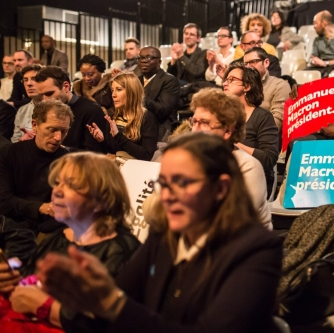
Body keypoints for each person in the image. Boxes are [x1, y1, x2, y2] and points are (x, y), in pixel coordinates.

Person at [36, 133, 282, 332]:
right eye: (163, 183)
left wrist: (109, 301)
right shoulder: (164, 237)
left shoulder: (257, 249)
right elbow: (114, 310)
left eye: (182, 182)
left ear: (220, 188)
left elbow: (120, 306)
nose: (166, 195)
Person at [2, 152, 140, 330]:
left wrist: (45, 307)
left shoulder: (123, 251)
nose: (57, 192)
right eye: (58, 183)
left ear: (101, 199)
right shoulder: (60, 235)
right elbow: (29, 278)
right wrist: (9, 278)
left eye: (72, 185)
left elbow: (108, 323)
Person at [187, 88, 272, 229]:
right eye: (194, 122)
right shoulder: (189, 160)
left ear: (227, 131)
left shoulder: (247, 166)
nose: (195, 130)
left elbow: (234, 220)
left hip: (242, 245)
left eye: (204, 123)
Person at [0, 100, 72, 263]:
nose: (58, 137)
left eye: (64, 131)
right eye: (52, 129)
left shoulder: (67, 160)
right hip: (10, 226)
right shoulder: (9, 154)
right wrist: (41, 207)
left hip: (47, 231)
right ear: (35, 125)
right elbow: (4, 200)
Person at [223, 63, 279, 192]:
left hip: (254, 178)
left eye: (232, 80)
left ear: (247, 86)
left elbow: (268, 159)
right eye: (225, 80)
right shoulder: (220, 114)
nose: (225, 83)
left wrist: (233, 144)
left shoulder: (263, 116)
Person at [87, 72, 159, 161]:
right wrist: (101, 140)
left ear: (131, 91)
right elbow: (110, 151)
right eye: (112, 90)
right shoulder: (113, 118)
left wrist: (118, 136)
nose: (113, 95)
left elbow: (146, 155)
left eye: (119, 89)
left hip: (135, 168)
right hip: (115, 166)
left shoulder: (147, 118)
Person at [35, 66, 108, 152]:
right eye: (41, 95)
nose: (44, 100)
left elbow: (95, 153)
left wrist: (59, 149)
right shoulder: (45, 110)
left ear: (66, 86)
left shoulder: (91, 111)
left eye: (49, 93)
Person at [136, 46, 180, 140]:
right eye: (141, 58)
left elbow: (162, 111)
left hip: (160, 130)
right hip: (137, 127)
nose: (144, 61)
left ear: (159, 62)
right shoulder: (137, 80)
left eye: (148, 58)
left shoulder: (169, 81)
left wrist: (137, 95)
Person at [243, 47, 291, 130]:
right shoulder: (241, 85)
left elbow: (276, 123)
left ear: (266, 62)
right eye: (245, 64)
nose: (248, 67)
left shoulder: (279, 85)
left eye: (252, 62)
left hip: (261, 137)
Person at [305, 10, 334, 78]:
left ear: (324, 23)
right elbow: (313, 56)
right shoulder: (317, 40)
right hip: (320, 68)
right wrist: (314, 61)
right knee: (302, 73)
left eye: (315, 23)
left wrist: (326, 63)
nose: (314, 26)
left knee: (326, 75)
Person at [11, 64, 42, 142]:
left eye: (34, 79)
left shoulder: (56, 109)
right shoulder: (22, 110)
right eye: (25, 80)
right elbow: (14, 140)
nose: (29, 84)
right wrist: (21, 141)